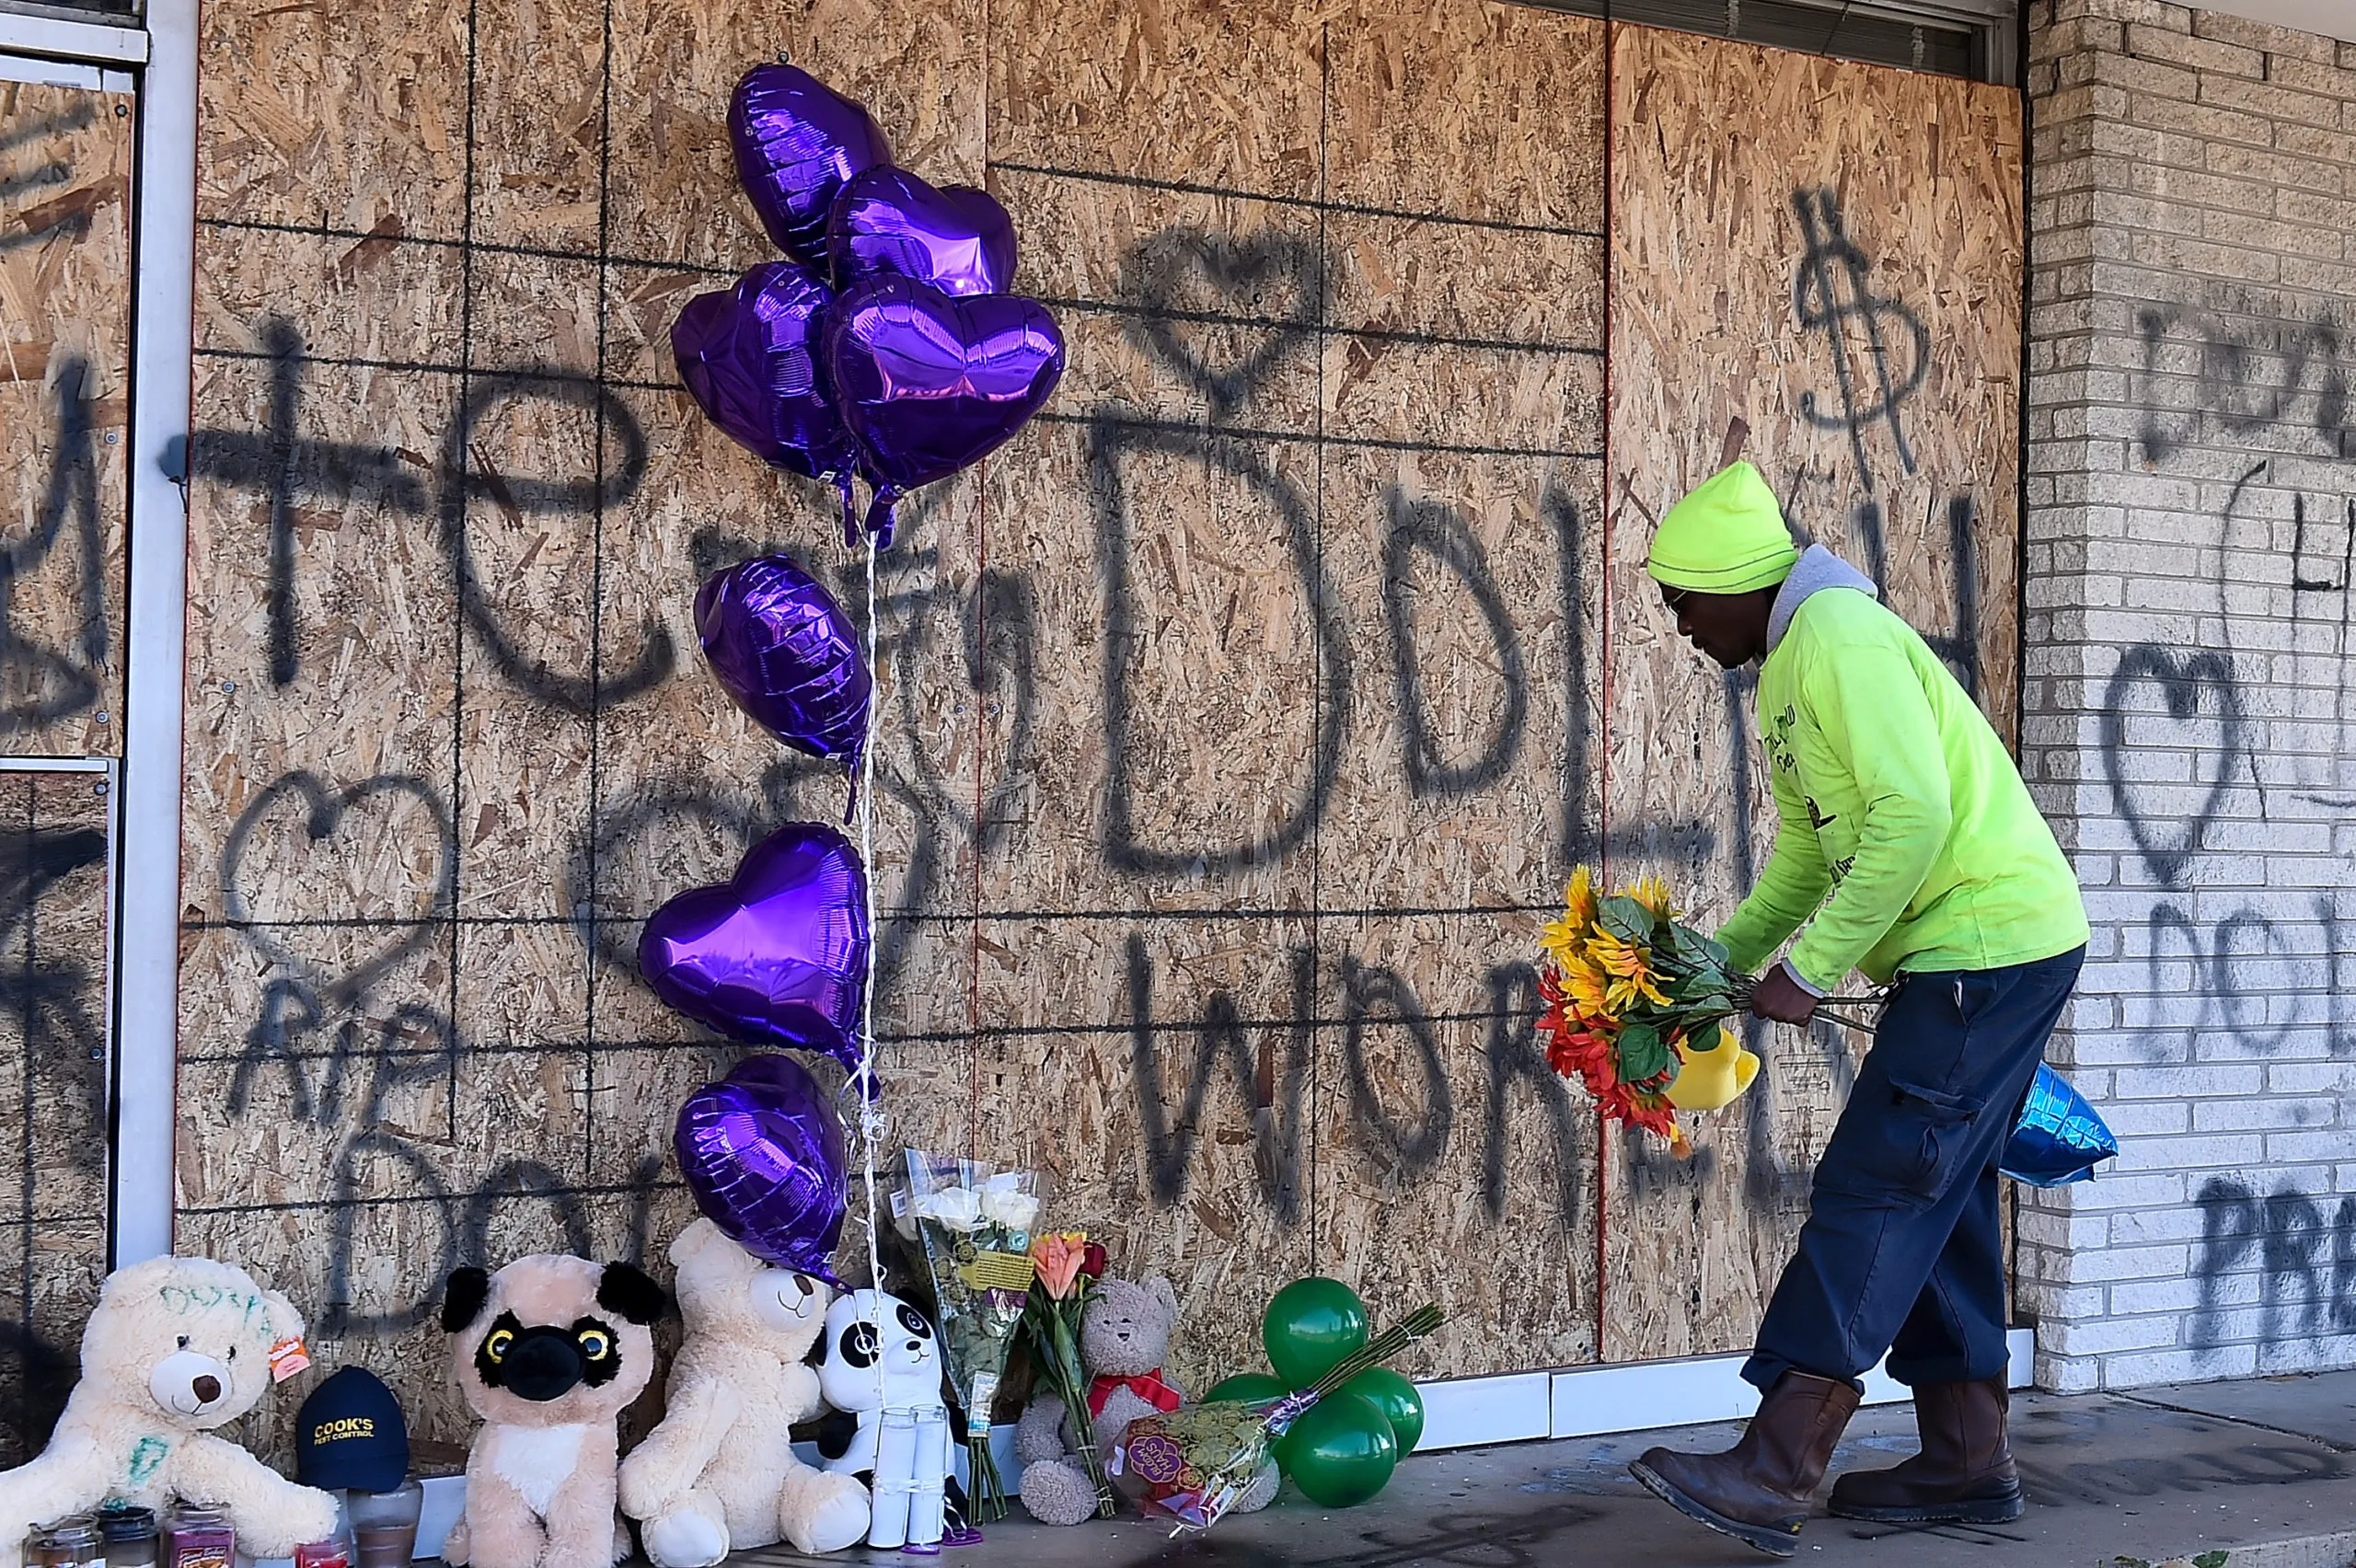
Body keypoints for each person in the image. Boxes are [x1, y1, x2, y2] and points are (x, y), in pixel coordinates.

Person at [1625, 455, 2089, 1558]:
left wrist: (1813, 969)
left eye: (1683, 601)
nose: (1681, 627)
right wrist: (1710, 962)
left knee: (1880, 1184)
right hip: (1976, 955)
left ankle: (1775, 1464)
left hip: (1986, 947)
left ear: (1736, 582)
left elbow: (1915, 816)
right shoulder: (1789, 665)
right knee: (1944, 1194)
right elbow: (1807, 854)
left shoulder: (1837, 637)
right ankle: (1967, 1461)